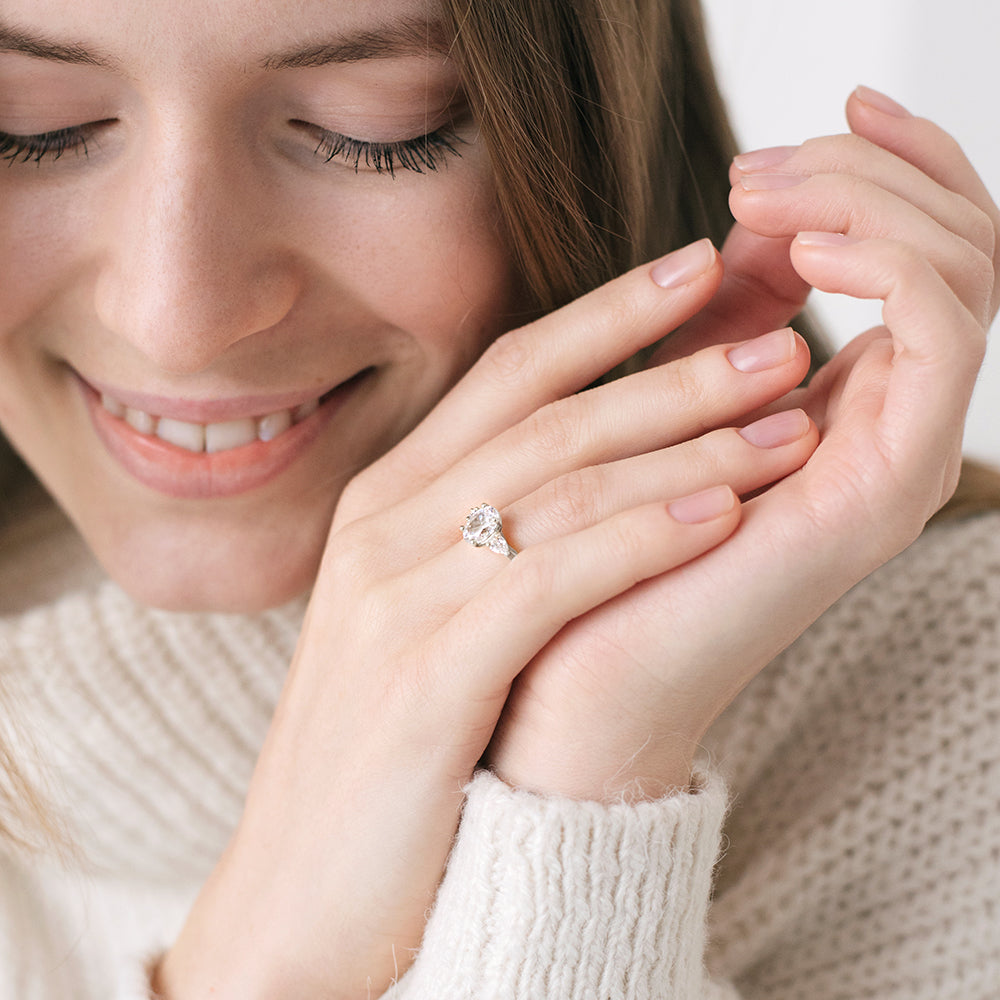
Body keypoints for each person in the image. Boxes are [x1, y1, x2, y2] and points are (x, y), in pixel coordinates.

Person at [1, 0, 998, 997]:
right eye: (28, 123)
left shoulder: (960, 717)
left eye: (373, 128)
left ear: (586, 122)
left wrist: (584, 765)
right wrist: (261, 961)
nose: (176, 319)